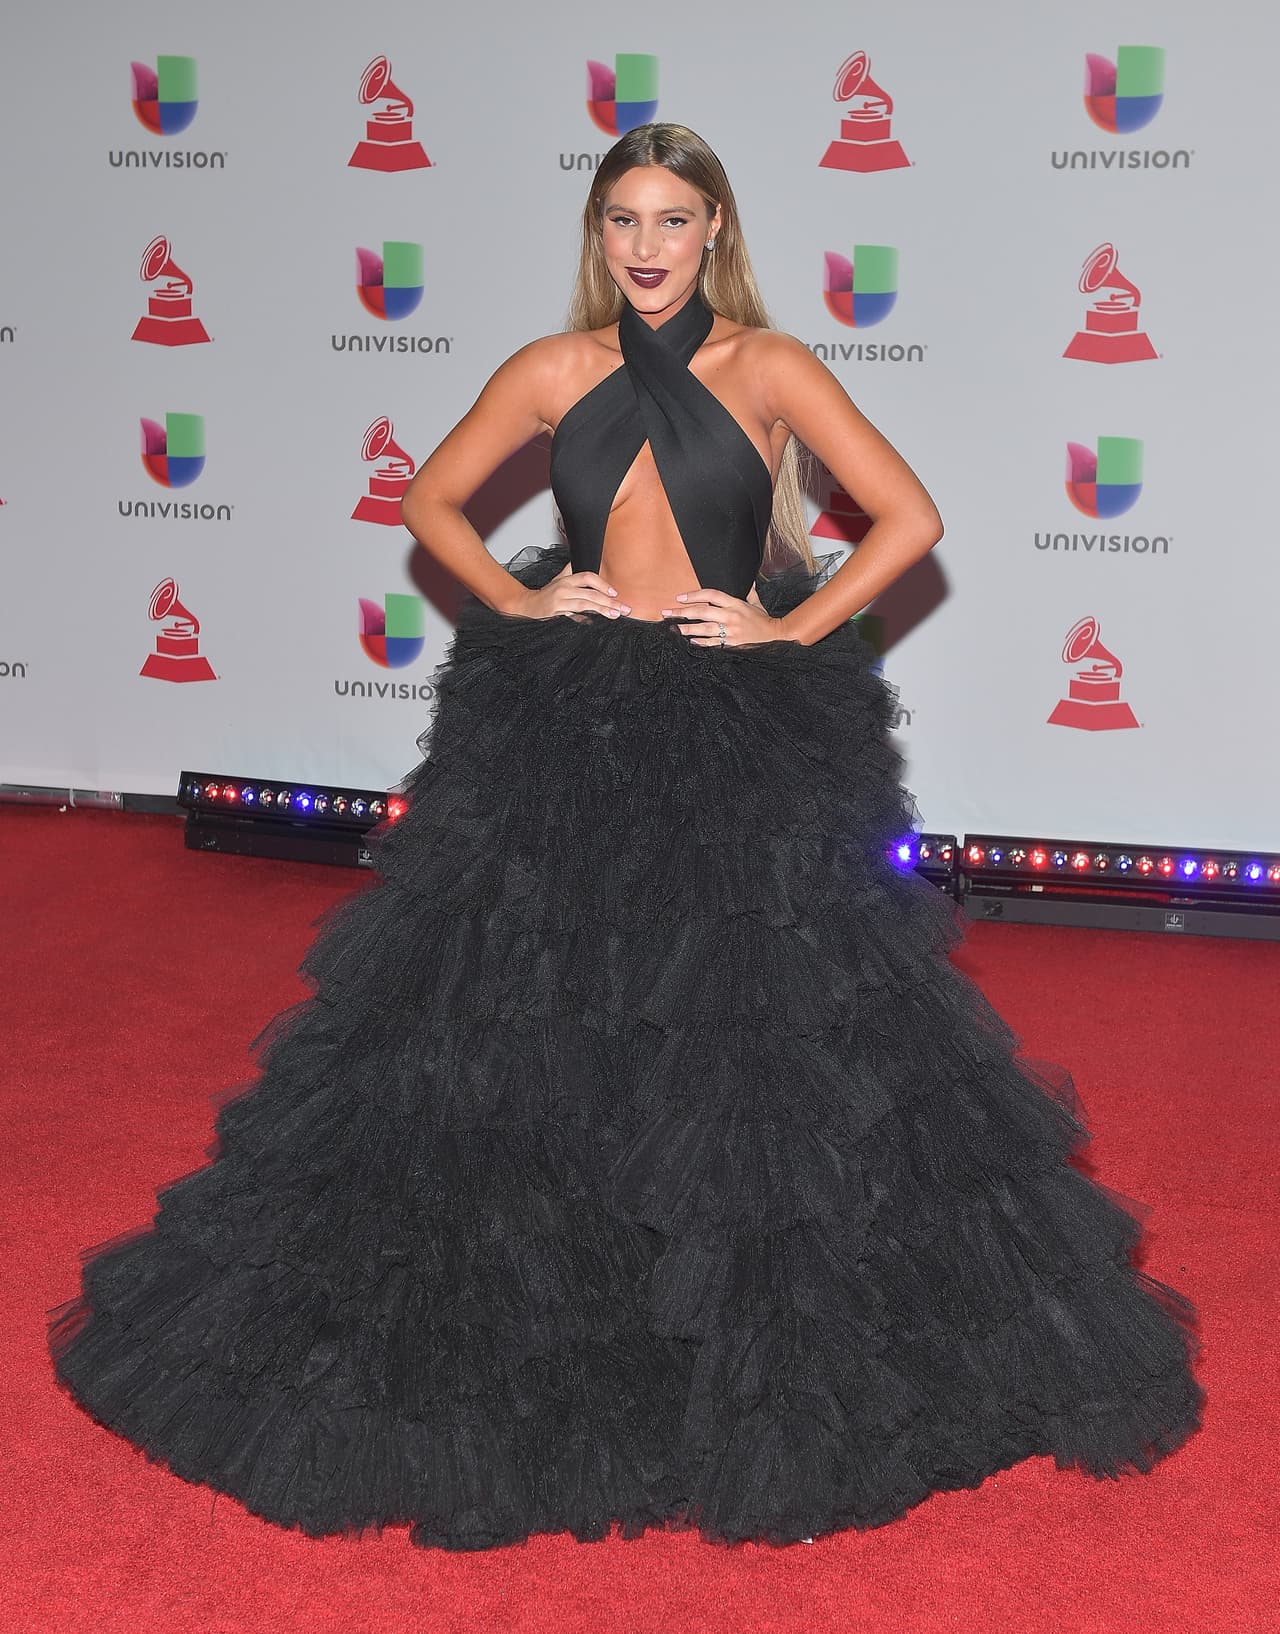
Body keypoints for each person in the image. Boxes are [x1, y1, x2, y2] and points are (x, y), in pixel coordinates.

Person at [50, 123, 1204, 1551]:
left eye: (673, 219)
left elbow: (912, 516)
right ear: (598, 233)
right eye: (623, 221)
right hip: (573, 719)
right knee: (528, 1008)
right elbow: (427, 498)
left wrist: (783, 622)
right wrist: (526, 599)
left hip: (730, 727)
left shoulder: (769, 367)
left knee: (748, 1033)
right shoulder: (553, 369)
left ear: (716, 229)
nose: (647, 246)